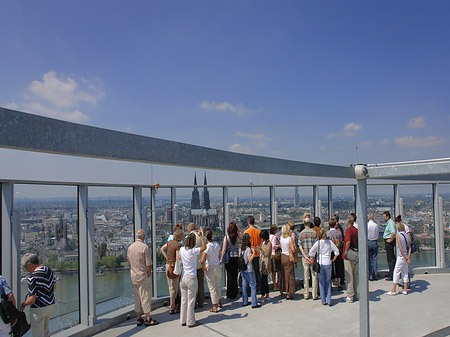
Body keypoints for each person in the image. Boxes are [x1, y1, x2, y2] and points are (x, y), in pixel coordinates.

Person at [126, 229, 158, 327]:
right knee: (145, 297)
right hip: (143, 276)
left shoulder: (130, 247)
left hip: (134, 276)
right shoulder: (145, 247)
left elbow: (129, 262)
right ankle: (148, 318)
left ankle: (139, 317)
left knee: (137, 297)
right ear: (143, 237)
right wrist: (149, 274)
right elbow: (148, 264)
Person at [20, 253, 56, 336]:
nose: (26, 270)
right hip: (50, 305)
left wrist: (23, 304)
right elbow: (54, 287)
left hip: (38, 309)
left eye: (26, 267)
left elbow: (32, 298)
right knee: (46, 331)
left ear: (30, 264)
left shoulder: (32, 277)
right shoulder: (49, 270)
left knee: (38, 334)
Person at [180, 230, 206, 327]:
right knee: (191, 300)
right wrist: (201, 237)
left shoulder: (182, 250)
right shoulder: (193, 251)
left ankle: (182, 320)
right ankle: (191, 321)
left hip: (183, 277)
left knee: (184, 299)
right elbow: (204, 247)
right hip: (191, 277)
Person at [309, 228, 339, 306]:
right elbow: (337, 252)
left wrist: (313, 257)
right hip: (328, 262)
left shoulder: (318, 243)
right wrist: (333, 259)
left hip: (321, 263)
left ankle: (323, 300)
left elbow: (311, 252)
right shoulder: (330, 242)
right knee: (328, 282)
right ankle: (329, 300)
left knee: (321, 282)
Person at [161, 229, 184, 314]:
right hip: (174, 266)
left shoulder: (169, 242)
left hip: (168, 265)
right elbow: (178, 258)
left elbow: (162, 249)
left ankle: (172, 306)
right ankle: (172, 306)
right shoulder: (178, 245)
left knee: (170, 286)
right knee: (175, 287)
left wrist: (167, 258)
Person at [387, 217, 411, 295]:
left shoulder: (398, 236)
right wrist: (408, 257)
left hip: (401, 256)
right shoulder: (407, 235)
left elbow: (400, 248)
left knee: (396, 272)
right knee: (405, 273)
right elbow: (409, 247)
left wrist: (404, 257)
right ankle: (405, 289)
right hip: (406, 256)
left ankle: (393, 290)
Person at [201, 229, 222, 313]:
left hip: (210, 267)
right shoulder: (217, 244)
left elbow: (202, 260)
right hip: (217, 266)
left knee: (212, 287)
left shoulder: (207, 247)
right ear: (212, 236)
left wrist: (204, 268)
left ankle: (214, 306)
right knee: (217, 286)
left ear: (206, 238)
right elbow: (219, 255)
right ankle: (220, 302)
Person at [298, 213, 318, 300]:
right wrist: (313, 257)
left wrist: (305, 257)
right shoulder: (314, 233)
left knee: (306, 276)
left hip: (305, 257)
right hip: (312, 258)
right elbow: (316, 246)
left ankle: (306, 294)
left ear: (304, 223)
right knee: (314, 276)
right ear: (310, 224)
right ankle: (314, 294)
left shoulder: (301, 234)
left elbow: (300, 246)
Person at [220, 222, 241, 300]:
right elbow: (240, 232)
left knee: (229, 276)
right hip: (236, 257)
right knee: (235, 275)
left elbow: (224, 249)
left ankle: (230, 294)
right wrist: (237, 227)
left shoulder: (226, 237)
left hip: (229, 258)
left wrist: (222, 258)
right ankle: (235, 293)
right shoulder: (237, 237)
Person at [240, 233, 261, 309]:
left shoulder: (241, 248)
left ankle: (245, 301)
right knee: (253, 285)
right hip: (248, 270)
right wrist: (254, 253)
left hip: (242, 269)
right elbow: (250, 259)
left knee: (244, 286)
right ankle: (254, 303)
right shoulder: (248, 249)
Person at [187, 222, 205, 308]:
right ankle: (201, 301)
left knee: (192, 286)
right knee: (201, 284)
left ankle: (193, 303)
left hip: (191, 267)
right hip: (200, 264)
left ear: (189, 229)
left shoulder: (188, 238)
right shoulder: (200, 237)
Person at [244, 216, 262, 296]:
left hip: (249, 255)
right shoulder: (258, 232)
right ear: (254, 222)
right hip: (257, 254)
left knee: (249, 273)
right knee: (257, 272)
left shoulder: (246, 232)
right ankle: (259, 289)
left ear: (248, 222)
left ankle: (249, 290)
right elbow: (260, 244)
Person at [343, 216, 359, 303]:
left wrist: (345, 251)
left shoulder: (348, 231)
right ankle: (357, 294)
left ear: (347, 223)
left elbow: (348, 241)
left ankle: (350, 295)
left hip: (349, 256)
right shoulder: (357, 230)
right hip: (357, 255)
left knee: (349, 276)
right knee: (356, 276)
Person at [280, 224, 296, 300]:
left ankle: (283, 289)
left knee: (284, 274)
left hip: (283, 256)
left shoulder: (281, 238)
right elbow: (293, 249)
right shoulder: (289, 239)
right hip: (288, 257)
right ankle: (289, 293)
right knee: (289, 274)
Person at [327, 218, 344, 291]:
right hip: (337, 250)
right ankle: (339, 283)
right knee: (339, 267)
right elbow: (340, 240)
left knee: (330, 268)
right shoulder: (338, 233)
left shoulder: (328, 233)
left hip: (330, 251)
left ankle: (330, 284)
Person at [383, 211, 396, 281]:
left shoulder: (390, 223)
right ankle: (391, 272)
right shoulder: (390, 223)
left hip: (389, 242)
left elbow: (393, 232)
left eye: (384, 216)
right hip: (388, 241)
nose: (384, 218)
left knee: (390, 258)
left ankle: (391, 274)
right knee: (390, 258)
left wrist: (390, 240)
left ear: (388, 216)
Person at [259, 230, 272, 302]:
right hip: (263, 262)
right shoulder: (264, 243)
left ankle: (263, 295)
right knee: (264, 280)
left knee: (263, 280)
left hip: (266, 264)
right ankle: (267, 295)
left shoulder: (269, 244)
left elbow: (267, 254)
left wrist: (261, 250)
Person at [367, 213, 379, 281]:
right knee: (375, 259)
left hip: (369, 241)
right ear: (373, 218)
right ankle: (375, 274)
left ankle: (370, 275)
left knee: (370, 259)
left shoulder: (367, 225)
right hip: (374, 241)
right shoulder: (376, 225)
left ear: (368, 218)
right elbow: (377, 234)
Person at [269, 224, 281, 291]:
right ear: (274, 230)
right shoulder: (274, 237)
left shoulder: (269, 236)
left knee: (273, 271)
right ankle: (277, 283)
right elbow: (273, 246)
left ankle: (274, 285)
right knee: (279, 270)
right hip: (275, 255)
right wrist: (278, 246)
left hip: (271, 255)